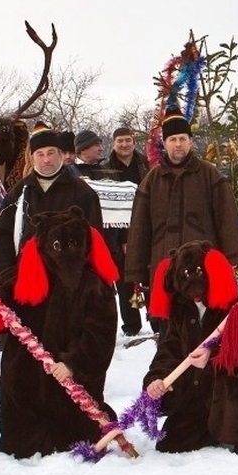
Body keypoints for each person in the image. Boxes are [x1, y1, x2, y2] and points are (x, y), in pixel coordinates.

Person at [0, 207, 120, 458]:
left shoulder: (94, 287)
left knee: (76, 434)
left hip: (71, 393)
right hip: (25, 391)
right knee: (22, 441)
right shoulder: (21, 278)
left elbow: (100, 335)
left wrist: (73, 363)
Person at [143, 242, 238, 454]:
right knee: (171, 443)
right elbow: (171, 349)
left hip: (235, 387)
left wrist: (215, 353)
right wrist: (156, 379)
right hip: (196, 389)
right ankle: (208, 426)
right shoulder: (181, 309)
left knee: (231, 383)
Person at [125, 109, 238, 305]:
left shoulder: (209, 174)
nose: (178, 144)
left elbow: (227, 217)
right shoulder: (152, 180)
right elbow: (140, 228)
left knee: (205, 323)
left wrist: (232, 258)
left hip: (203, 265)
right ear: (165, 143)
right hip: (164, 266)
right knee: (170, 325)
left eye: (183, 138)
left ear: (190, 141)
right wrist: (136, 270)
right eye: (172, 139)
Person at [0, 123, 104, 280]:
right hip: (27, 279)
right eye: (40, 154)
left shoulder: (82, 192)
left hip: (69, 282)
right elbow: (3, 237)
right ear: (32, 158)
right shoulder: (18, 193)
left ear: (60, 154)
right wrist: (5, 275)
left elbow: (95, 239)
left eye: (51, 153)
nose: (46, 159)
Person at [102, 126, 150, 336]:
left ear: (133, 142)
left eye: (127, 140)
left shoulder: (146, 165)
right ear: (113, 144)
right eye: (120, 141)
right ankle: (131, 325)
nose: (124, 145)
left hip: (147, 228)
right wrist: (122, 239)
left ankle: (156, 321)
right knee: (124, 281)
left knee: (150, 277)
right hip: (119, 233)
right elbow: (109, 210)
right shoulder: (106, 169)